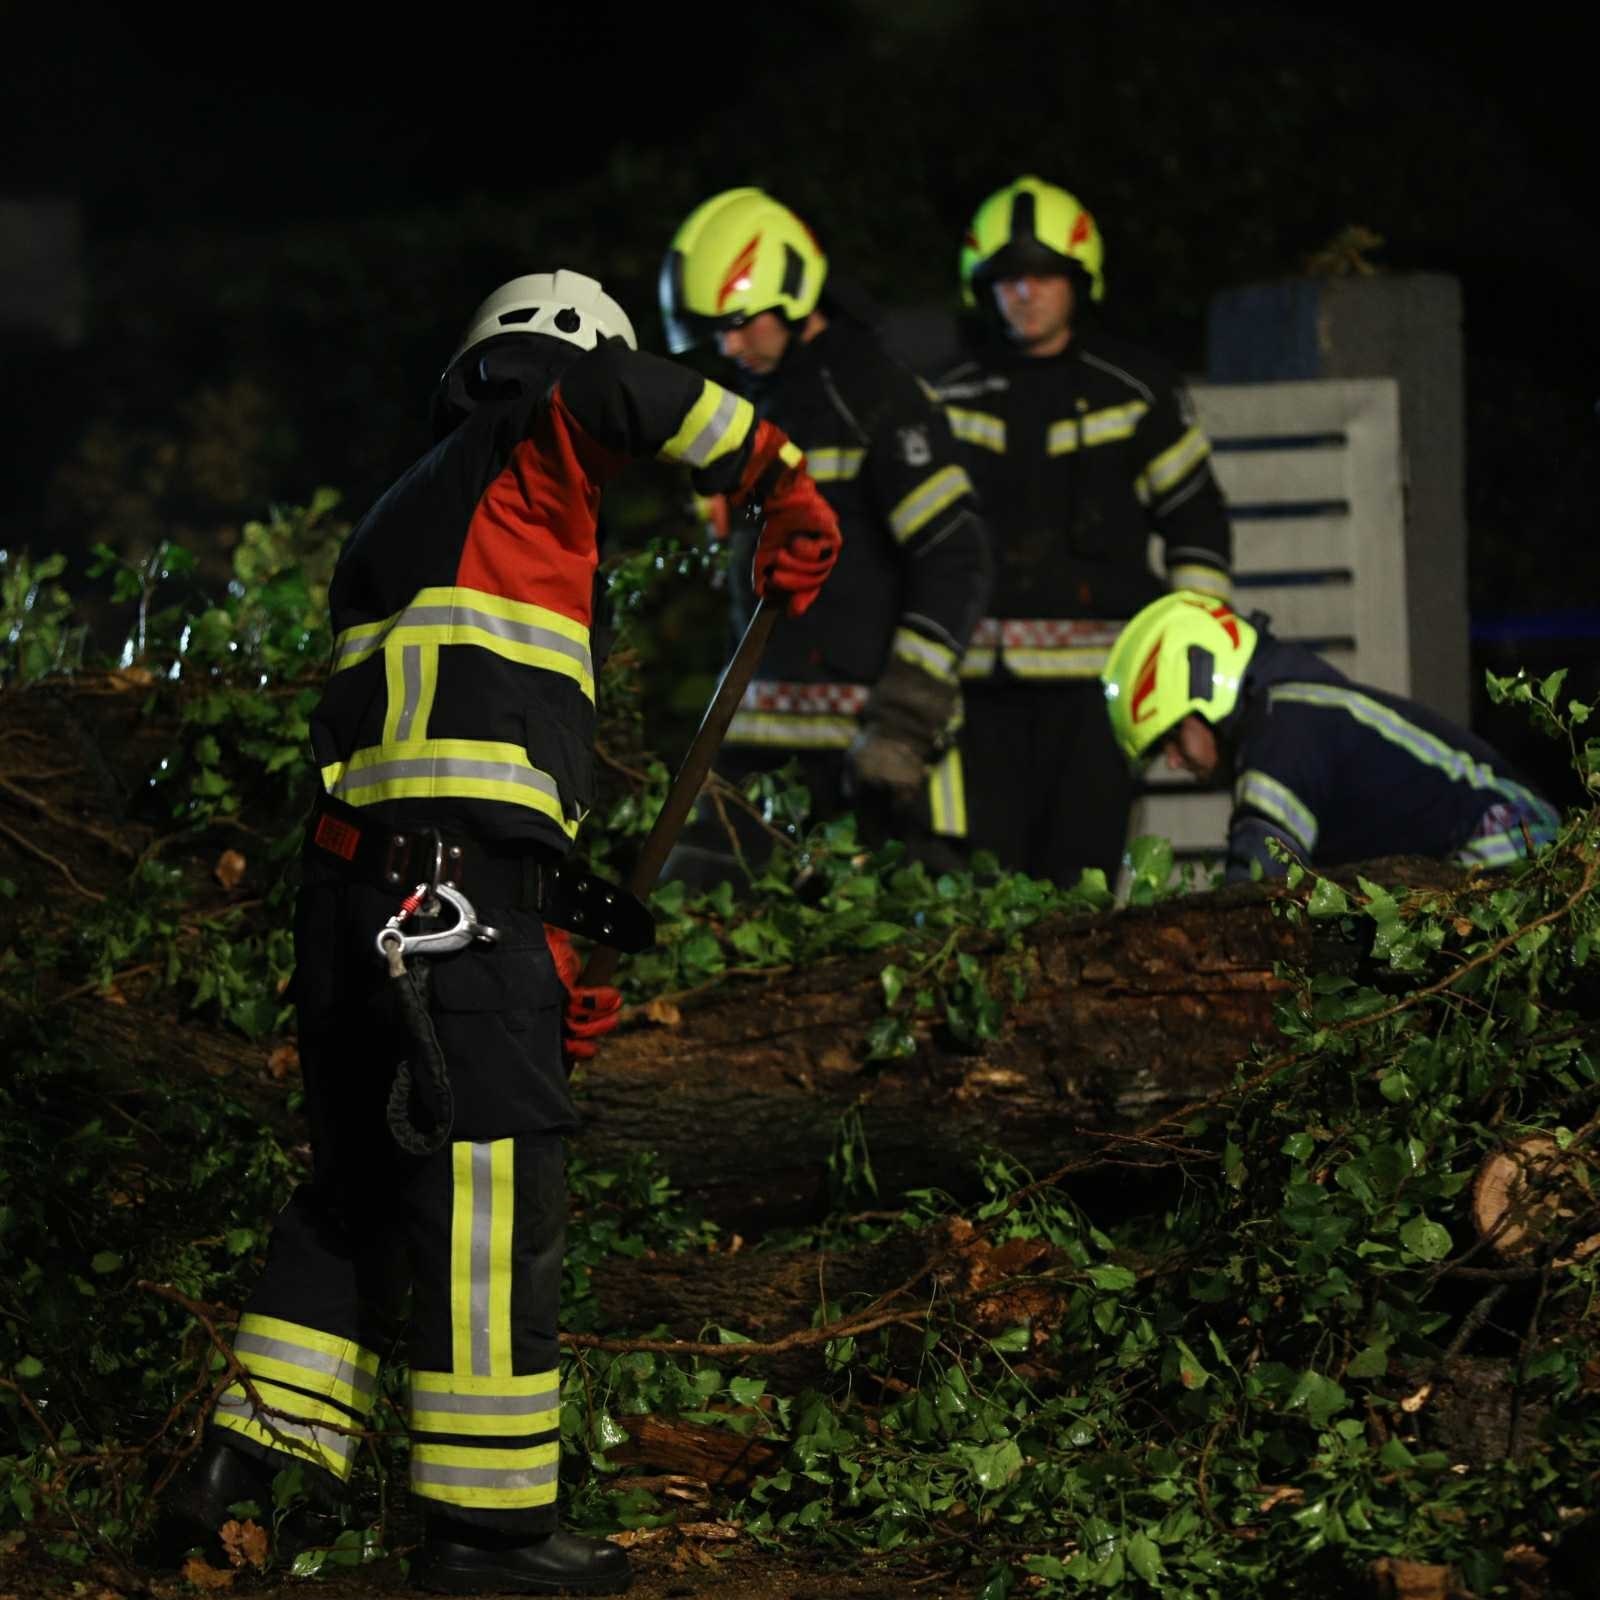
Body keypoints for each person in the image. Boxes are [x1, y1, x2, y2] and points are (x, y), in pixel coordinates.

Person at [155, 270, 841, 1595]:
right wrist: (778, 478)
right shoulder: (532, 449)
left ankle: (238, 1480)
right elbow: (618, 393)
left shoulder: (404, 517)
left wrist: (556, 939)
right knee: (489, 1199)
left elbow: (457, 767)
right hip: (451, 912)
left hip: (356, 908)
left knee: (357, 1195)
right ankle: (489, 1533)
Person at [658, 186, 992, 885]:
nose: (728, 345)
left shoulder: (876, 397)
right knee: (685, 906)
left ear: (795, 297)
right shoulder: (750, 404)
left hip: (872, 760)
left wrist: (906, 716)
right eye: (717, 329)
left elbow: (956, 557)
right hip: (757, 755)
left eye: (740, 322)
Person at [930, 175, 1233, 888]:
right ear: (983, 289)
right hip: (979, 698)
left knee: (1084, 893)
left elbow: (1199, 535)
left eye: (1044, 276)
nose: (1025, 293)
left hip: (1102, 698)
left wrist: (1190, 689)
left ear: (1079, 281)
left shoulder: (1136, 393)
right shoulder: (946, 398)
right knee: (984, 893)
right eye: (1007, 278)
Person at [1101, 590, 1562, 880]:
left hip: (1509, 847)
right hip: (1506, 845)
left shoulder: (1283, 730)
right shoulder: (1291, 710)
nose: (1174, 761)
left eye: (1172, 738)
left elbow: (1256, 892)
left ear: (1204, 685)